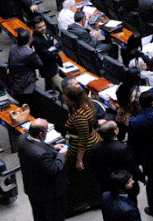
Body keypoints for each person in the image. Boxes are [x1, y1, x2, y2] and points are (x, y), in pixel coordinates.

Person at [62, 84, 103, 215]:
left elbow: (83, 139)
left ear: (73, 100)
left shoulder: (79, 116)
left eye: (67, 100)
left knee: (79, 176)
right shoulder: (86, 104)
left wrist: (79, 160)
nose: (64, 101)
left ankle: (84, 202)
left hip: (83, 148)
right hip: (93, 140)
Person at [18, 118, 68, 221]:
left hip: (32, 189)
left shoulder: (22, 139)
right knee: (56, 216)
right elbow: (55, 168)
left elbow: (38, 145)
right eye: (47, 131)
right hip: (49, 193)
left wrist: (52, 148)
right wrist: (61, 155)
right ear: (41, 134)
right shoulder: (41, 155)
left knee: (39, 215)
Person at [91, 122, 143, 201]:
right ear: (116, 131)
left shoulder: (94, 148)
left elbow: (94, 169)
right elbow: (132, 167)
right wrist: (142, 178)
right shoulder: (122, 148)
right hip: (124, 185)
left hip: (106, 187)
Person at [8, 29, 43, 110]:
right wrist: (33, 51)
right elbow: (39, 64)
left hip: (15, 81)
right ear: (29, 40)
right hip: (26, 86)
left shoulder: (13, 47)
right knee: (27, 106)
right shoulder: (29, 53)